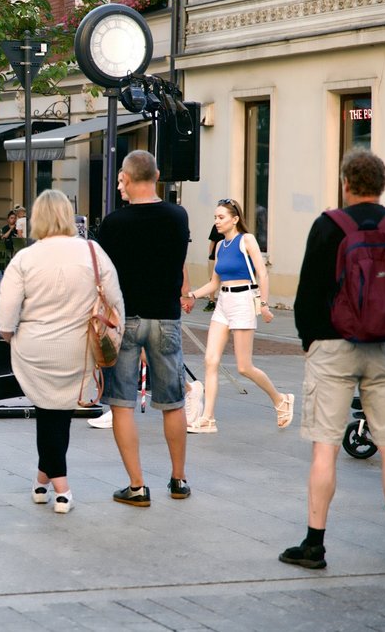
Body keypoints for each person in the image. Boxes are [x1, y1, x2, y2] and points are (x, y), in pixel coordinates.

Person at [280, 149, 385, 570]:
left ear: (347, 183)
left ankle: (314, 544)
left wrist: (310, 340)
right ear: (381, 185)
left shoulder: (329, 226)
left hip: (332, 347)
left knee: (324, 448)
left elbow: (308, 291)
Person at [0, 190, 123, 514]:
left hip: (35, 346)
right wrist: (115, 340)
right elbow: (115, 301)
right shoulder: (92, 252)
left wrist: (8, 334)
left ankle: (55, 484)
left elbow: (7, 310)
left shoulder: (25, 258)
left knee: (47, 411)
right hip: (77, 347)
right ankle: (50, 482)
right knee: (59, 414)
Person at [97, 150, 192, 507]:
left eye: (121, 176)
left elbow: (103, 275)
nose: (118, 182)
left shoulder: (113, 223)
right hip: (166, 317)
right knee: (173, 402)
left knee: (122, 402)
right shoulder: (177, 216)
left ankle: (136, 486)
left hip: (126, 319)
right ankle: (179, 479)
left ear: (129, 177)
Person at [182, 199, 294, 434]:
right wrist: (191, 294)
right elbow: (214, 282)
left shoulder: (247, 240)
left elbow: (262, 273)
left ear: (235, 219)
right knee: (210, 360)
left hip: (244, 301)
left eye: (221, 217)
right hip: (223, 301)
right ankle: (208, 418)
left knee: (244, 366)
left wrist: (264, 304)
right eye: (215, 217)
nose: (217, 221)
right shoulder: (221, 246)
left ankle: (280, 399)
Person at [204, 223, 225, 312]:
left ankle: (223, 302)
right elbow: (212, 242)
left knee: (224, 280)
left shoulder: (233, 227)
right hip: (214, 257)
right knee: (213, 279)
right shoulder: (216, 226)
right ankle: (211, 301)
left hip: (226, 257)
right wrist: (210, 256)